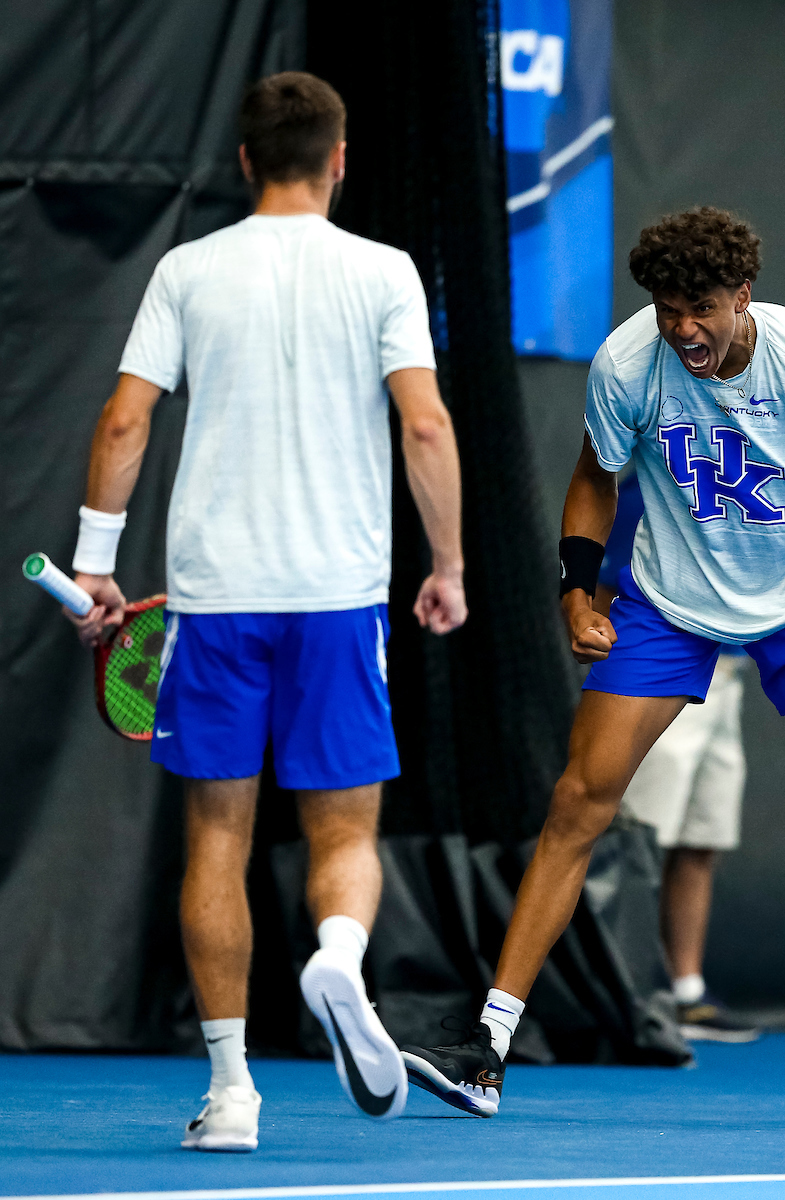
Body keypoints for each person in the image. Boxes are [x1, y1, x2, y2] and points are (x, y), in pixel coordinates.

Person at [402, 206, 785, 1130]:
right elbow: (593, 475)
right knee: (578, 800)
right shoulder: (626, 364)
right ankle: (486, 1050)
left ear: (744, 297)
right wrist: (578, 590)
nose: (683, 328)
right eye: (666, 309)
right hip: (670, 597)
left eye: (700, 308)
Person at [65, 72, 467, 1149]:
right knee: (345, 830)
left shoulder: (188, 270)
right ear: (339, 160)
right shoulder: (385, 271)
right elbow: (425, 427)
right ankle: (339, 955)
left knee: (217, 839)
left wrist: (97, 563)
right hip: (337, 601)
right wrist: (450, 565)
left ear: (246, 162)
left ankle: (232, 1093)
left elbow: (122, 420)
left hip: (219, 604)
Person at [595, 475, 758, 1043]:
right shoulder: (643, 490)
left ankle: (686, 991)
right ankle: (627, 992)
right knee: (640, 842)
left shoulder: (741, 473)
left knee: (700, 837)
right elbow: (605, 587)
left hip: (729, 671)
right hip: (666, 672)